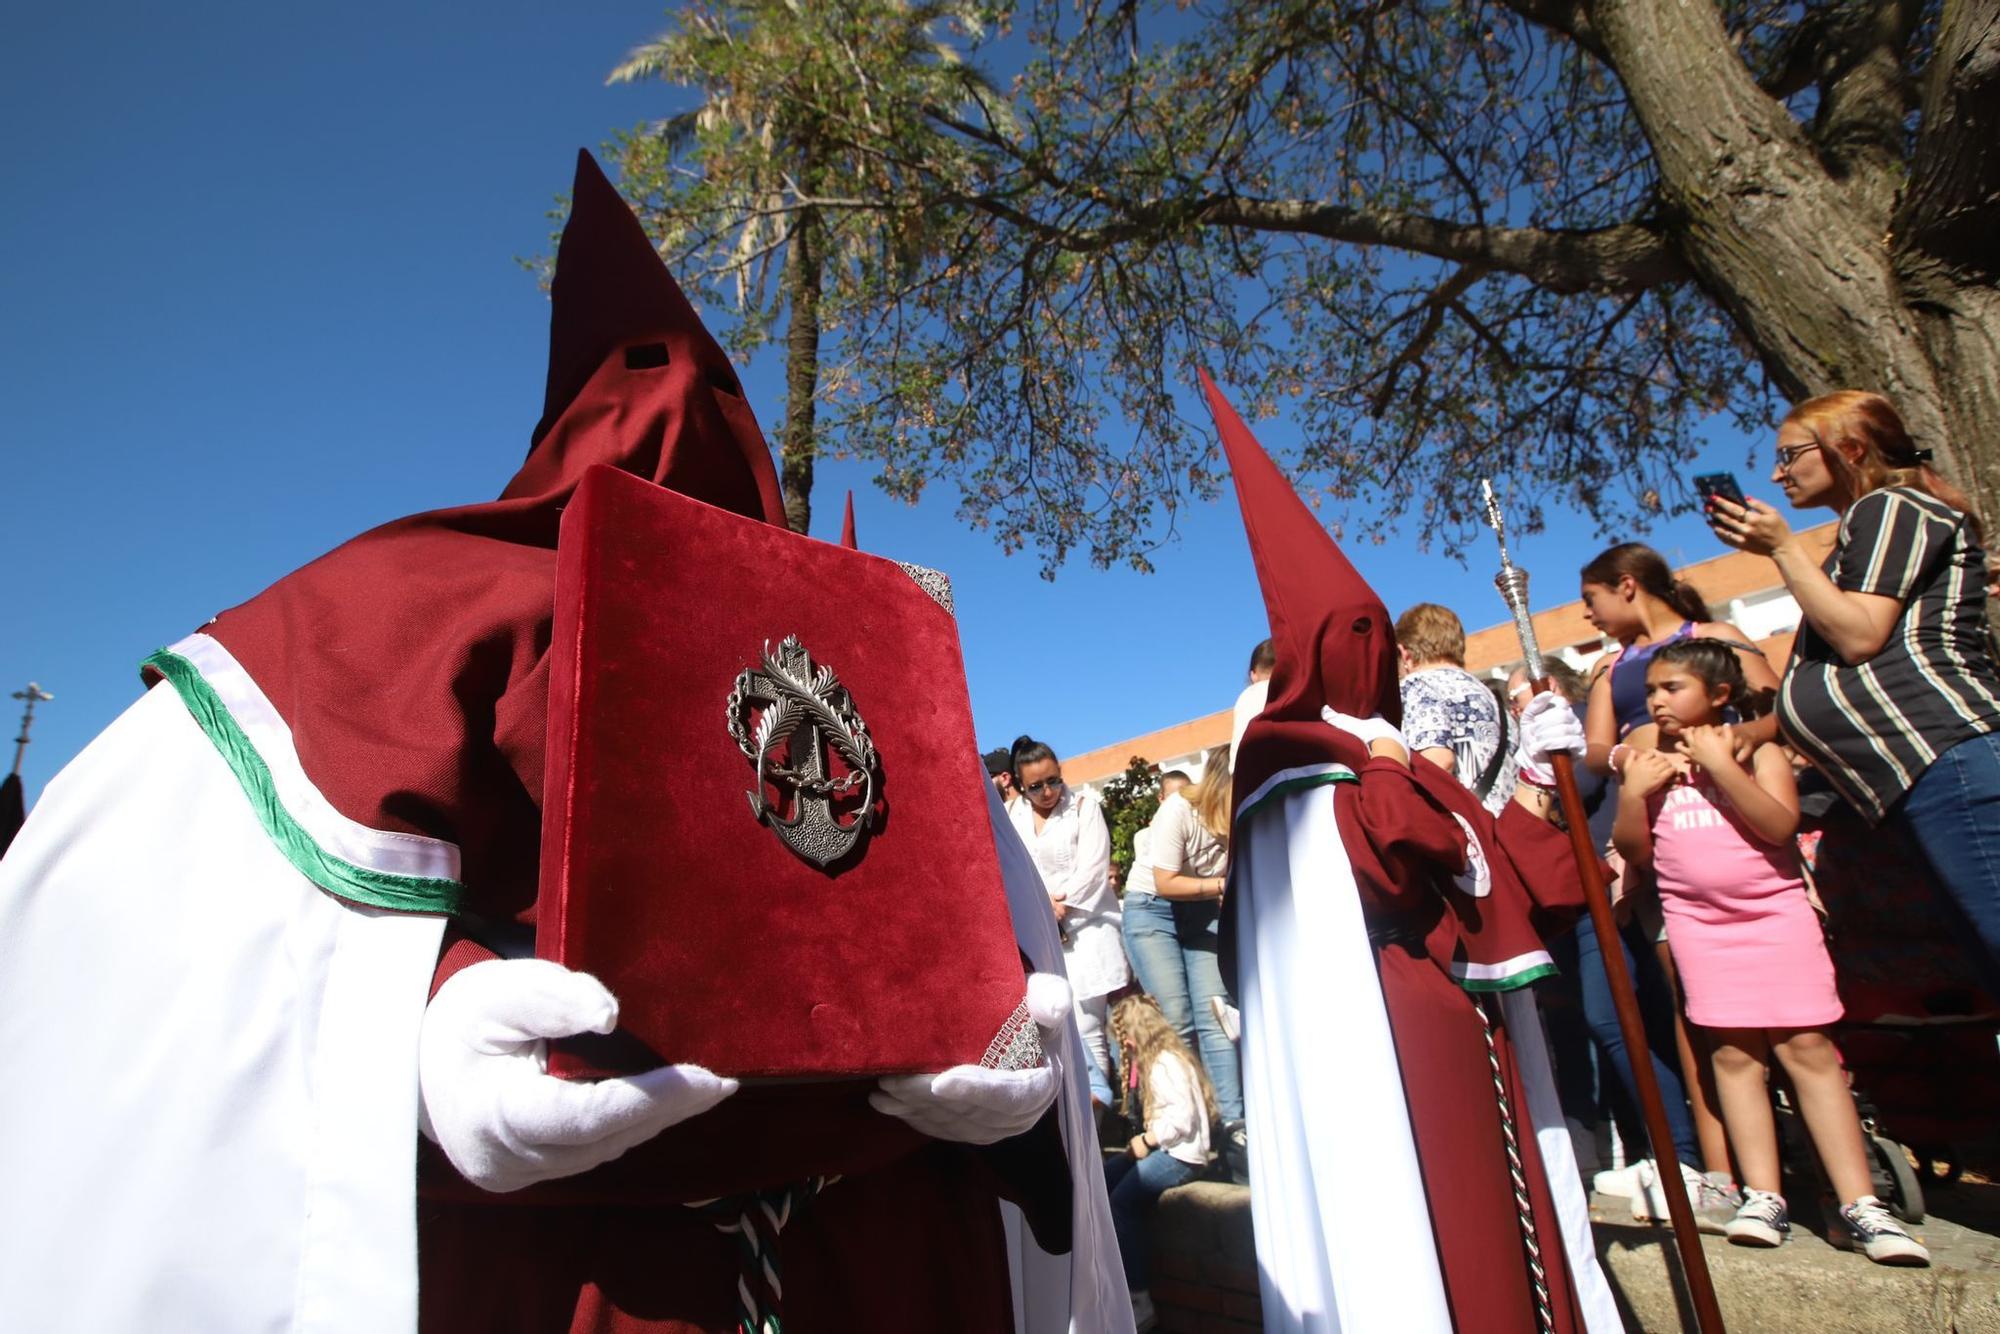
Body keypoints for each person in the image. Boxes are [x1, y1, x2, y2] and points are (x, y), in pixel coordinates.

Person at [0, 152, 1131, 1334]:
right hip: (570, 1270)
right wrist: (425, 1038)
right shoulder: (411, 616)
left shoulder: (866, 668)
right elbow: (155, 951)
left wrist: (1012, 1078)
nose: (672, 413)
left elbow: (975, 952)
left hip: (878, 1252)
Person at [1200, 371, 1621, 1333]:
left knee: (1503, 1232)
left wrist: (1537, 781)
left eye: (1378, 631)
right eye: (1358, 634)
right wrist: (1390, 761)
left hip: (1458, 1012)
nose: (1378, 653)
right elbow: (1392, 865)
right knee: (1444, 1229)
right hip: (1389, 1019)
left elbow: (1490, 866)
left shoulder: (1367, 737)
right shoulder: (1291, 750)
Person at [1613, 639, 1929, 1265]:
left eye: (1671, 688)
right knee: (1733, 1056)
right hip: (1699, 927)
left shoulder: (1754, 752)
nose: (1657, 701)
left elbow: (1779, 827)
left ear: (1719, 696)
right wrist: (1631, 794)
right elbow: (1637, 852)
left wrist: (1722, 767)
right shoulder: (1649, 760)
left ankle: (1858, 1203)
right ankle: (1764, 1195)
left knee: (1808, 1050)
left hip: (1774, 918)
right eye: (1651, 691)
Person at [1708, 389, 2000, 994]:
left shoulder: (1893, 506)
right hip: (1922, 778)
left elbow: (1861, 637)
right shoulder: (1861, 529)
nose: (1775, 472)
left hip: (1950, 759)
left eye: (1789, 455)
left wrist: (1784, 549)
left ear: (1848, 448)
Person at [1011, 734, 1130, 1110]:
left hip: (1088, 930)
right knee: (1057, 1025)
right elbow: (1014, 868)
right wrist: (1041, 905)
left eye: (1053, 780)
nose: (1047, 792)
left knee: (1088, 1024)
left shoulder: (1083, 807)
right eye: (1036, 786)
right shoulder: (1013, 814)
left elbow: (1094, 870)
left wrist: (1060, 907)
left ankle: (1099, 1108)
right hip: (1041, 933)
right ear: (1020, 785)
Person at [1104, 994, 1218, 1333]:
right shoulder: (1158, 1060)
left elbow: (1181, 1120)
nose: (1123, 1043)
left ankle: (1139, 1296)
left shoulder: (1166, 1062)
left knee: (1121, 1204)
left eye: (1125, 1036)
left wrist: (1148, 1140)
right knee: (1105, 1177)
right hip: (1167, 1148)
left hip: (1181, 1155)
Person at [1145, 744, 1242, 1124]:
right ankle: (1187, 1124)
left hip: (1201, 907)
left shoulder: (1236, 817)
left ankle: (1234, 1126)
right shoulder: (1178, 810)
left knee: (1214, 1012)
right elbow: (1165, 882)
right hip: (1153, 908)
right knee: (1178, 1019)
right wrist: (1220, 886)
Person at [1395, 603, 1518, 813]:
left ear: (1404, 653)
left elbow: (1438, 760)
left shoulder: (1416, 686)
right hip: (1510, 829)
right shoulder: (1490, 695)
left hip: (1467, 833)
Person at [1120, 770, 1196, 1049]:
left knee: (1206, 1012)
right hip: (1152, 905)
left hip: (1192, 908)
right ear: (1161, 799)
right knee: (1176, 1014)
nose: (1180, 805)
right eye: (1172, 799)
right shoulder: (1145, 835)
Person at [1230, 638, 1276, 763]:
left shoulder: (1246, 698)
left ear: (1253, 674)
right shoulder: (1295, 690)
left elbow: (1237, 747)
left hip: (1253, 771)